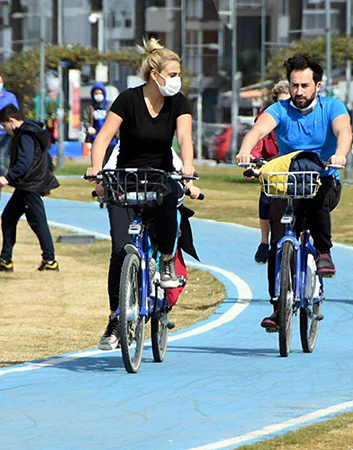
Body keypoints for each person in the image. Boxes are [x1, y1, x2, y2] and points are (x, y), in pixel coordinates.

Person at [85, 38, 195, 351]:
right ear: (154, 75)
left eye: (178, 75)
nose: (177, 80)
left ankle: (164, 259)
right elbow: (104, 137)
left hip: (160, 178)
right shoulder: (127, 100)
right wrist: (96, 169)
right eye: (172, 74)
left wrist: (187, 165)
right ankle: (116, 319)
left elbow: (184, 138)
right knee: (120, 249)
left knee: (169, 204)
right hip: (125, 179)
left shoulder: (179, 103)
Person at [237, 53, 352, 331]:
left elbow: (344, 131)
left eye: (304, 85)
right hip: (289, 182)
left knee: (316, 199)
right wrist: (244, 151)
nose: (298, 92)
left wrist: (339, 154)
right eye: (294, 85)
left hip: (323, 178)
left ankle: (323, 251)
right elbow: (259, 129)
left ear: (318, 86)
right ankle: (278, 307)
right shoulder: (280, 109)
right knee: (279, 243)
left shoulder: (332, 106)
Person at [0, 104, 60, 273]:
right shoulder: (33, 132)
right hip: (28, 184)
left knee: (38, 222)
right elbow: (47, 159)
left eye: (4, 125)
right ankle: (5, 259)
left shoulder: (26, 136)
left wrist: (7, 178)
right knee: (9, 217)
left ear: (12, 121)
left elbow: (25, 162)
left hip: (30, 185)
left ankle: (50, 260)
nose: (4, 129)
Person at [251, 79, 290, 264]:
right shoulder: (266, 118)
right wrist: (252, 162)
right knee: (266, 194)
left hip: (296, 169)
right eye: (281, 102)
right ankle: (264, 241)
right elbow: (256, 141)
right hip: (272, 169)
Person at [0, 73, 20, 176]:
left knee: (1, 156)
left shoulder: (10, 97)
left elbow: (15, 113)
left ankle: (0, 177)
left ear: (3, 83)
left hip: (4, 132)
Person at [83, 82, 118, 162]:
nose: (98, 95)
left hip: (110, 138)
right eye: (96, 93)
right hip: (96, 137)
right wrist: (89, 127)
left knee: (110, 161)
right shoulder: (90, 107)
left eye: (100, 93)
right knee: (98, 161)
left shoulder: (109, 106)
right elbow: (85, 120)